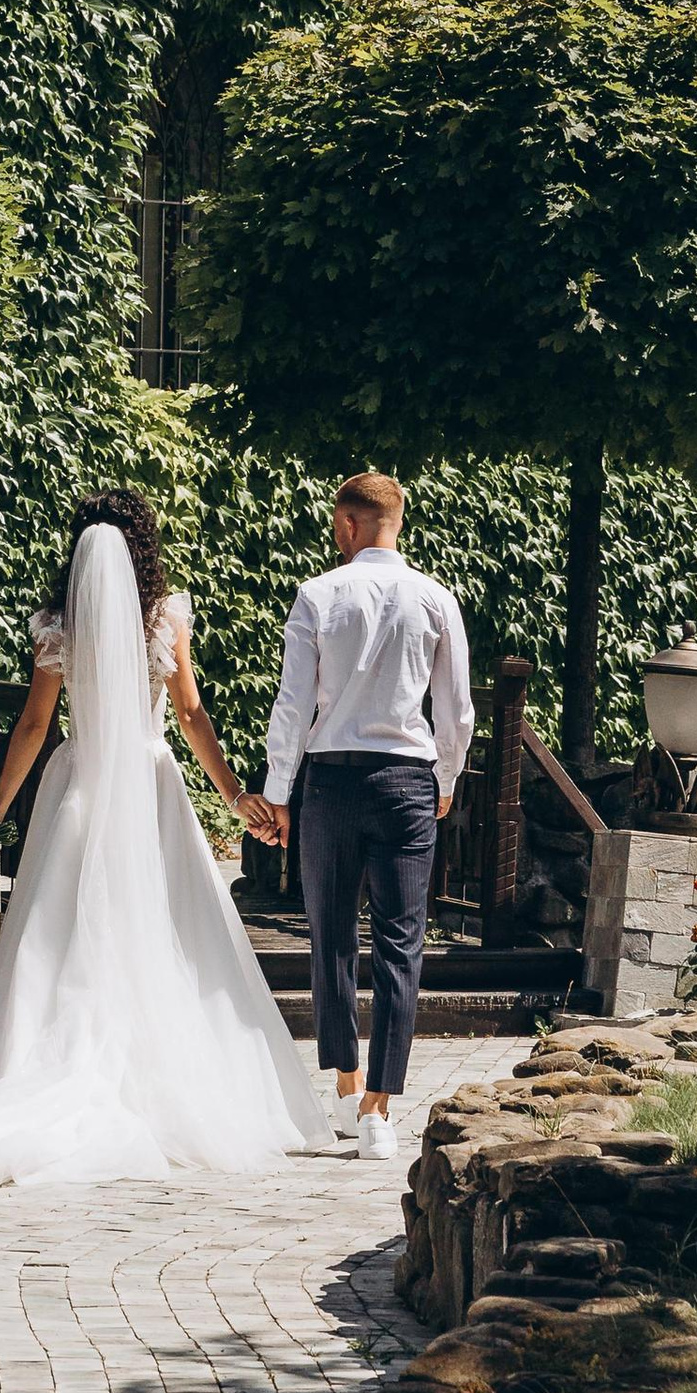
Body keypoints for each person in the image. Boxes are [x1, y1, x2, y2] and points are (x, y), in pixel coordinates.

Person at [0, 491, 335, 1186]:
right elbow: (190, 715)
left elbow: (35, 729)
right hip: (151, 782)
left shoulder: (55, 629)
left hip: (82, 785)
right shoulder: (167, 620)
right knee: (174, 931)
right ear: (143, 550)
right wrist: (234, 796)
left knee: (56, 932)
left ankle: (43, 1059)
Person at [243, 470, 473, 1176]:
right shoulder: (437, 597)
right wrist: (445, 780)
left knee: (331, 939)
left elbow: (292, 706)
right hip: (406, 780)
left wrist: (278, 793)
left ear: (347, 524)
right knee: (401, 947)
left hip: (333, 782)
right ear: (395, 523)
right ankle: (379, 1107)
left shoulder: (317, 594)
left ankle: (344, 1087)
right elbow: (456, 710)